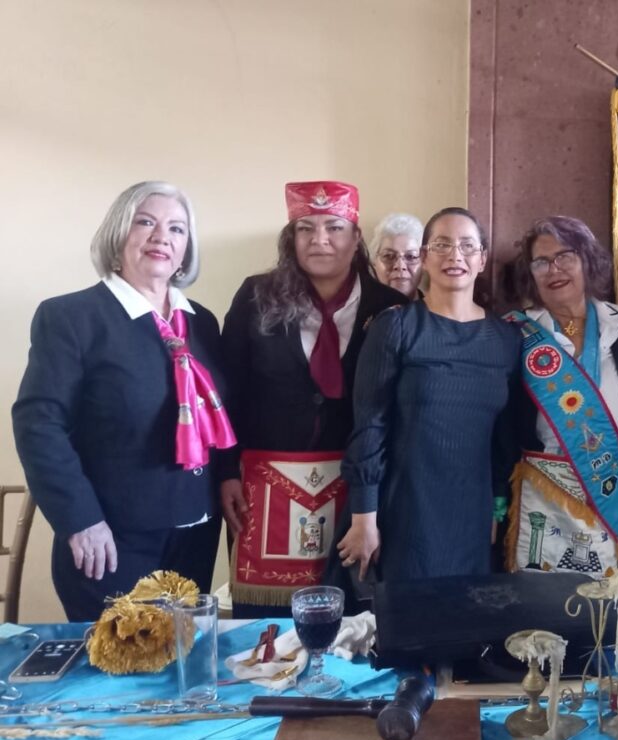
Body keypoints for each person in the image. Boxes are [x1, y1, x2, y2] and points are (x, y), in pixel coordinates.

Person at [12, 181, 235, 621]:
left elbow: (219, 413)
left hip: (194, 533)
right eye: (145, 222)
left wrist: (228, 475)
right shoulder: (71, 318)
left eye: (176, 229)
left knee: (183, 673)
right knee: (122, 680)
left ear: (186, 249)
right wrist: (80, 520)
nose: (161, 237)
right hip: (112, 541)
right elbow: (39, 426)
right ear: (118, 233)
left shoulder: (202, 322)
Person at [219, 182, 407, 616]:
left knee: (349, 614)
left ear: (356, 237)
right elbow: (227, 391)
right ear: (291, 238)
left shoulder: (391, 306)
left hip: (355, 486)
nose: (320, 239)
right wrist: (225, 471)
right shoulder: (255, 296)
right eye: (306, 228)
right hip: (262, 485)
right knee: (266, 623)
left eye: (334, 227)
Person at [333, 207, 519, 582]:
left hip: (473, 510)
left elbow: (503, 438)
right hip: (404, 508)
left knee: (465, 626)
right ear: (424, 257)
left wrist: (498, 509)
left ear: (482, 258)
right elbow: (370, 424)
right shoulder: (396, 327)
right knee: (406, 625)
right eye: (442, 245)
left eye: (468, 246)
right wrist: (363, 517)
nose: (455, 255)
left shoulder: (505, 339)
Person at [504, 216, 618, 578]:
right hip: (541, 499)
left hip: (610, 492)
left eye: (565, 256)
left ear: (587, 259)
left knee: (605, 616)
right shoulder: (513, 334)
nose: (554, 269)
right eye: (541, 261)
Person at [369, 213, 425, 299]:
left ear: (424, 264)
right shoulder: (359, 310)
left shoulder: (436, 311)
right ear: (374, 263)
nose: (400, 266)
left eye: (411, 257)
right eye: (388, 256)